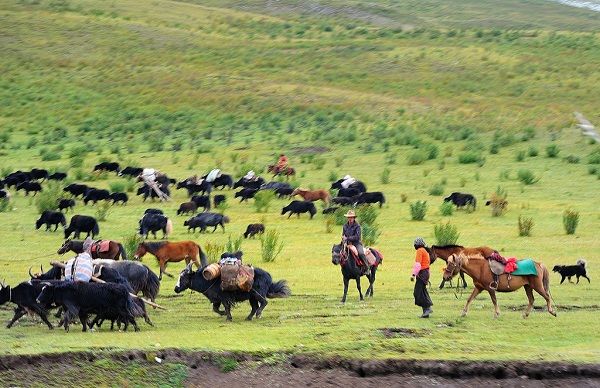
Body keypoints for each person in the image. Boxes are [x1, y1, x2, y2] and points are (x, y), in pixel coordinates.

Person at [342, 210, 370, 276]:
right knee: (340, 254)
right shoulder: (345, 226)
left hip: (356, 244)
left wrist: (347, 238)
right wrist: (343, 240)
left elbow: (357, 237)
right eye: (349, 217)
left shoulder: (357, 226)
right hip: (347, 244)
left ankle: (367, 268)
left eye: (351, 217)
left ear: (354, 218)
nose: (350, 219)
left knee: (361, 253)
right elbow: (343, 235)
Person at [411, 237, 433, 318]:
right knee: (422, 291)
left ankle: (427, 308)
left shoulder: (420, 251)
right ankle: (426, 311)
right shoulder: (425, 251)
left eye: (415, 244)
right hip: (425, 273)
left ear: (417, 244)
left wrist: (413, 274)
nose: (414, 246)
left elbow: (418, 264)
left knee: (418, 292)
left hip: (422, 273)